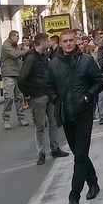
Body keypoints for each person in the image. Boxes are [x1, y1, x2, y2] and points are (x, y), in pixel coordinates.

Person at [47, 29, 103, 204]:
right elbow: (49, 86)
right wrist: (56, 99)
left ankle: (74, 197)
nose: (69, 43)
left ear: (76, 42)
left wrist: (87, 97)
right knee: (78, 153)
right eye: (65, 41)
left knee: (79, 156)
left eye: (71, 40)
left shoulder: (86, 60)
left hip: (83, 114)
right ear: (60, 43)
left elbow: (98, 81)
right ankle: (93, 182)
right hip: (66, 115)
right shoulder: (53, 64)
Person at [19, 33, 69, 164]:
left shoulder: (43, 56)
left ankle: (55, 148)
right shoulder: (30, 58)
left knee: (53, 122)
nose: (50, 43)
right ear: (42, 43)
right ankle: (41, 152)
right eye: (47, 41)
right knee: (40, 125)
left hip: (48, 93)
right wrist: (27, 94)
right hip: (37, 95)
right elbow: (22, 77)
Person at [0, 30, 28, 129]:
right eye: (16, 36)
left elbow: (18, 60)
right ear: (11, 37)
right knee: (9, 97)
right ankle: (6, 119)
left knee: (19, 97)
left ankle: (21, 117)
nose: (18, 38)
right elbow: (15, 55)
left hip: (17, 74)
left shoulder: (15, 45)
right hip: (9, 74)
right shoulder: (6, 46)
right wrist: (27, 51)